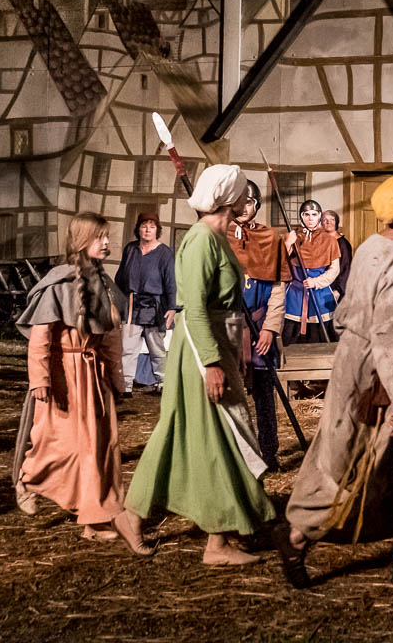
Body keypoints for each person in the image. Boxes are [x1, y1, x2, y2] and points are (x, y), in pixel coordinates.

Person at [274, 173, 393, 588]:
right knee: (355, 463)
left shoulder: (372, 245)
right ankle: (297, 536)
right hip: (379, 379)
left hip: (357, 365)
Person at [127, 166, 273, 566]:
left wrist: (229, 352)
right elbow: (193, 310)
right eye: (242, 194)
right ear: (228, 198)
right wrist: (211, 363)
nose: (247, 200)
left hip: (217, 344)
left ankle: (133, 516)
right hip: (198, 351)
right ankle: (217, 540)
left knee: (180, 432)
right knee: (218, 436)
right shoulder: (201, 240)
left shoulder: (217, 237)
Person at [13, 213, 150, 556]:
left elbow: (111, 339)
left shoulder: (104, 283)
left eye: (107, 236)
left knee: (100, 448)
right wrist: (40, 379)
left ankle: (95, 519)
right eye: (99, 237)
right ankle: (29, 480)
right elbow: (41, 338)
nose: (106, 242)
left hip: (93, 376)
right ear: (81, 240)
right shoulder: (58, 283)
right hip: (64, 377)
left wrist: (116, 379)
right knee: (60, 443)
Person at [230, 180, 289, 469]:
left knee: (265, 394)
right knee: (230, 396)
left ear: (257, 206)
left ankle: (269, 452)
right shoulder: (219, 237)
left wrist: (269, 328)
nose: (244, 208)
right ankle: (236, 456)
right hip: (229, 328)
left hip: (259, 326)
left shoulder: (269, 238)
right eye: (239, 202)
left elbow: (278, 288)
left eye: (250, 202)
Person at [114, 212, 177, 393]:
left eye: (152, 226)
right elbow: (120, 279)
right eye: (144, 226)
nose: (148, 230)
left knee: (157, 350)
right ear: (138, 229)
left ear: (157, 230)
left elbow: (171, 282)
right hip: (132, 307)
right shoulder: (130, 249)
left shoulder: (165, 253)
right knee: (128, 349)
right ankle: (125, 386)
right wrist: (118, 305)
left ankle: (163, 384)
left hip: (155, 308)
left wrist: (172, 307)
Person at [283, 200, 342, 343]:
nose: (310, 218)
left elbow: (334, 270)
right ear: (301, 216)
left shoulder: (330, 240)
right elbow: (280, 265)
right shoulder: (292, 237)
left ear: (319, 216)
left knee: (321, 339)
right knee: (292, 338)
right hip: (295, 295)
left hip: (321, 295)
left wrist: (316, 282)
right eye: (307, 214)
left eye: (314, 214)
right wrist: (288, 244)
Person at [323, 209, 353, 297]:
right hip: (322, 285)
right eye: (325, 220)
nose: (328, 222)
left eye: (332, 219)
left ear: (336, 223)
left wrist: (339, 290)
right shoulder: (321, 242)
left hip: (335, 288)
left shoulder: (343, 243)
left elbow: (346, 268)